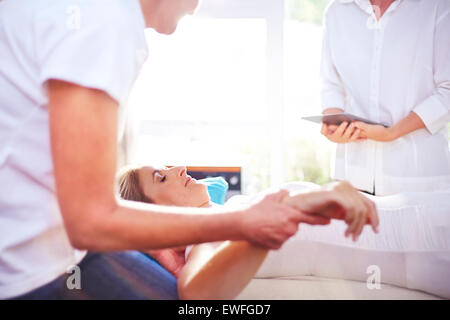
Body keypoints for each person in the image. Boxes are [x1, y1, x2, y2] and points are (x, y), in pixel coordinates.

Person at [0, 0, 376, 300]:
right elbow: (91, 221)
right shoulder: (103, 19)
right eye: (160, 177)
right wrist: (253, 220)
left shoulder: (100, 18)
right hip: (32, 269)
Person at [117, 165, 450, 299]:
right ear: (155, 211)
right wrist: (295, 207)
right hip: (427, 245)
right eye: (161, 177)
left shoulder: (229, 211)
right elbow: (197, 293)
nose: (179, 169)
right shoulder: (207, 239)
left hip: (424, 211)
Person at [320, 0, 450, 195]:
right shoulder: (336, 11)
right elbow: (331, 84)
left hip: (417, 177)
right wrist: (334, 122)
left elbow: (447, 89)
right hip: (352, 175)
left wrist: (392, 133)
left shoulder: (438, 7)